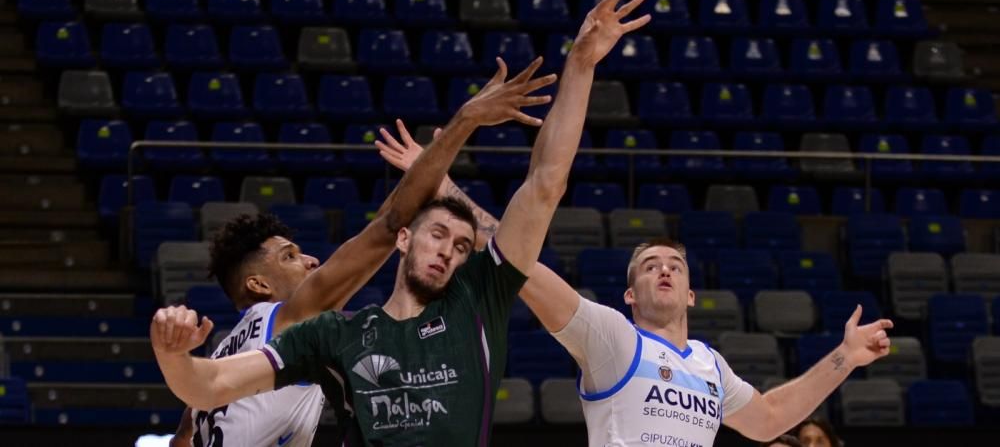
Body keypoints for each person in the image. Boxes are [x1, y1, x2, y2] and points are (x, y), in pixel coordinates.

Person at [150, 0, 651, 445]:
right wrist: (173, 355)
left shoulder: (476, 300)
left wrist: (581, 63)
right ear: (405, 240)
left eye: (462, 244)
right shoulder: (330, 332)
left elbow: (545, 184)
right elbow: (208, 385)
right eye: (437, 234)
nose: (450, 250)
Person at [164, 53, 558, 447]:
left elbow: (183, 437)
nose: (311, 261)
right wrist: (465, 122)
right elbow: (387, 226)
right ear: (259, 284)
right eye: (290, 256)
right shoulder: (292, 318)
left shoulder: (223, 353)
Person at [377, 157, 892, 446]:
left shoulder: (712, 366)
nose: (664, 269)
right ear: (630, 294)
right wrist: (446, 188)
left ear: (691, 292)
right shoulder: (614, 340)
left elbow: (770, 418)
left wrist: (847, 356)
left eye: (674, 265)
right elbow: (519, 260)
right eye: (650, 266)